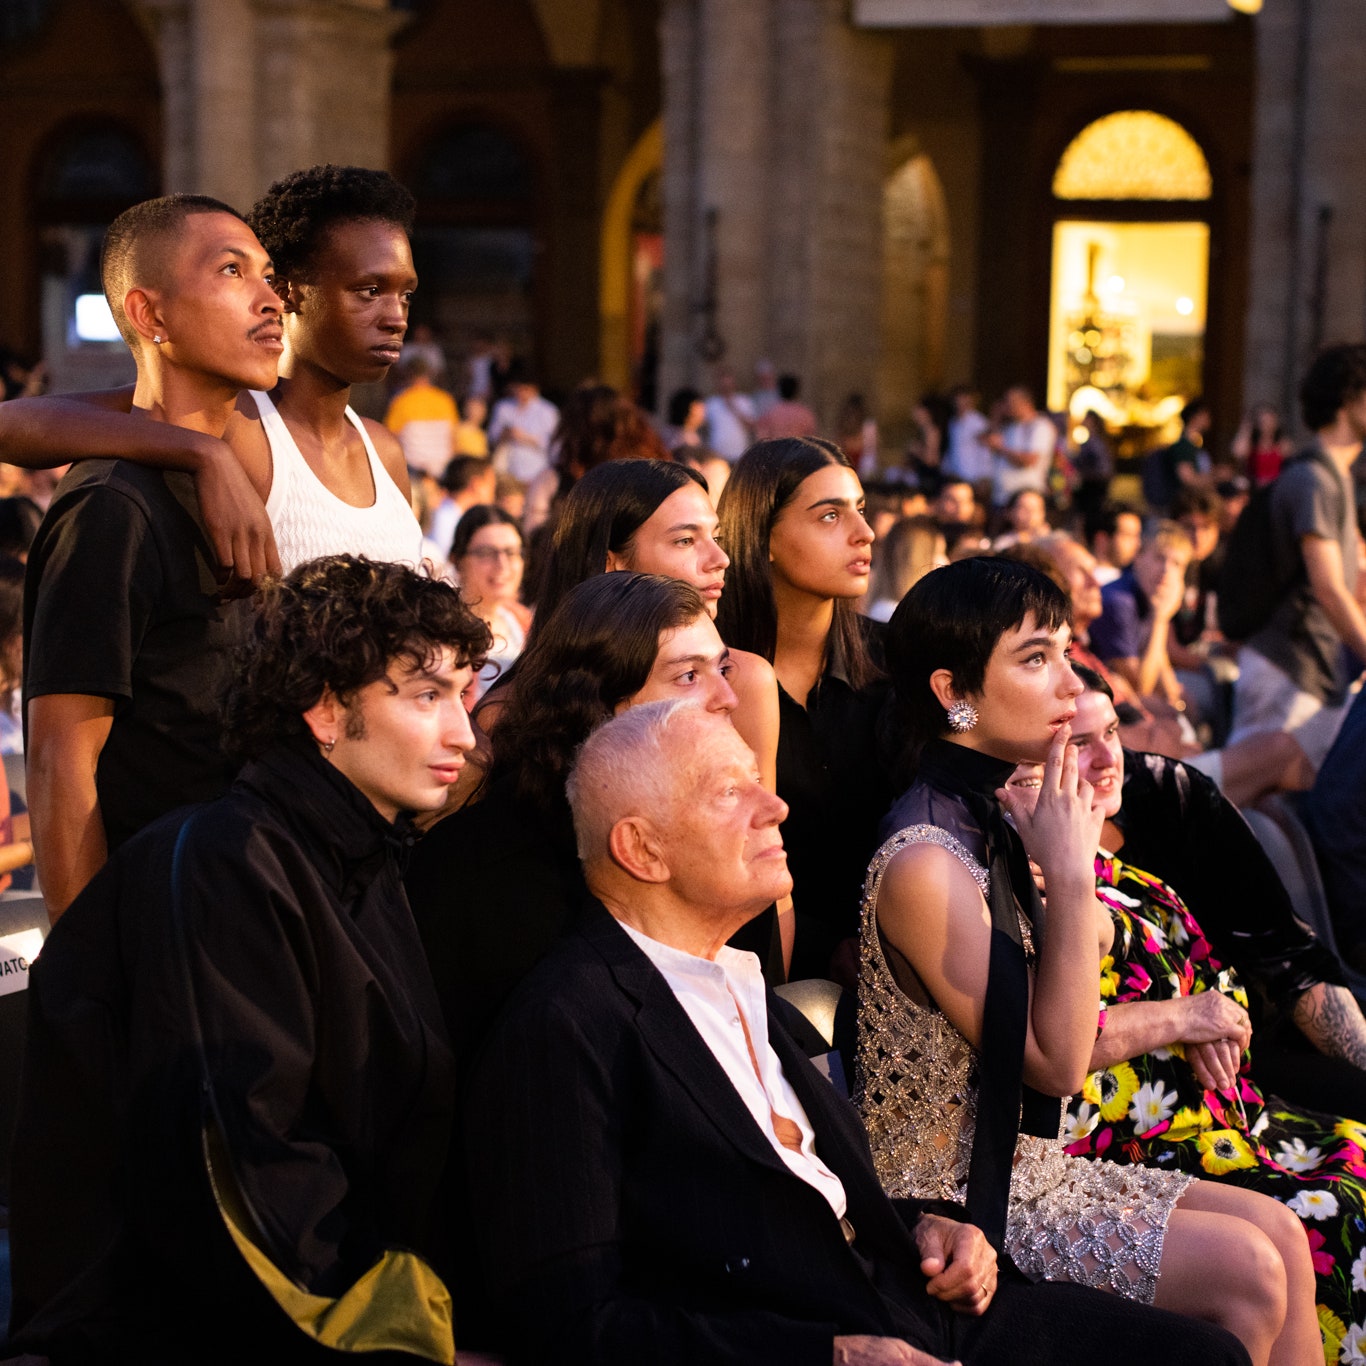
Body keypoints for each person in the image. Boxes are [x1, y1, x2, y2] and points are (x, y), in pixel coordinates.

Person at [462, 699, 1254, 1366]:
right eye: (728, 792)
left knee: (1208, 1355)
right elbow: (569, 1325)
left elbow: (810, 1194)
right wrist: (827, 1357)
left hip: (913, 1297)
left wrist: (933, 1226)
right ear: (641, 847)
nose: (774, 806)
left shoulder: (734, 980)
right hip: (826, 1341)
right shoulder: (567, 1026)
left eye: (760, 783)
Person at [8, 555, 488, 1363]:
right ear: (326, 710)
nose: (463, 733)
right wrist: (411, 1340)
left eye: (464, 695)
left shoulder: (360, 853)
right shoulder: (225, 867)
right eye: (427, 695)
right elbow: (241, 1180)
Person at [858, 557, 1314, 1365]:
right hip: (955, 1203)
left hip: (1034, 1166)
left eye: (1067, 651)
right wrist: (1070, 874)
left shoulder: (997, 812)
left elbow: (1094, 955)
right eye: (1037, 659)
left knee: (1281, 1231)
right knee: (1249, 1272)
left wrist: (1059, 859)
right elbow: (1059, 1062)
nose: (1070, 683)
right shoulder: (924, 858)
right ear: (951, 692)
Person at [1053, 672, 1362, 1351]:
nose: (1111, 759)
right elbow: (1054, 1043)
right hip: (1138, 1138)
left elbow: (1286, 961)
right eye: (1082, 742)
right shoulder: (1048, 868)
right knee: (1338, 1210)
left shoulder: (1159, 803)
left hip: (1227, 1099)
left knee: (1357, 1160)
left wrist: (1210, 1015)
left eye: (1112, 733)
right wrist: (1188, 1016)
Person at [23, 194, 282, 921]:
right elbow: (59, 765)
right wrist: (92, 978)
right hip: (157, 927)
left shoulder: (238, 473)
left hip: (236, 906)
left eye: (269, 276)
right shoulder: (113, 506)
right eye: (233, 272)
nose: (270, 300)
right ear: (150, 315)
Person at [0, 164, 427, 579]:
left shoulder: (383, 450)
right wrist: (204, 452)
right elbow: (10, 424)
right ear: (290, 293)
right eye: (370, 291)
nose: (397, 317)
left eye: (405, 294)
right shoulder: (232, 421)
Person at [490, 458, 780, 795]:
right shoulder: (507, 712)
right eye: (685, 540)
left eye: (717, 537)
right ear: (612, 563)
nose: (720, 558)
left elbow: (760, 831)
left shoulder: (744, 681)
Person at [717, 436, 892, 981]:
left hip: (897, 963)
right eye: (829, 516)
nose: (863, 533)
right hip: (755, 968)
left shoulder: (893, 662)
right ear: (763, 536)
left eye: (860, 510)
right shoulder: (713, 677)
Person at [1227, 343, 1366, 772]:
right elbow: (1328, 588)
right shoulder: (1314, 480)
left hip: (1310, 669)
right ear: (1348, 401)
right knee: (1247, 809)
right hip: (1287, 667)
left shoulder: (1335, 476)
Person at [1089, 521, 1192, 705]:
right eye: (1160, 558)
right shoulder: (1119, 602)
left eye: (1177, 564)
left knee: (1187, 704)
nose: (1166, 570)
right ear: (1138, 556)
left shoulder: (1149, 596)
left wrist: (1176, 701)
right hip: (1098, 699)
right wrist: (1160, 619)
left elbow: (1160, 665)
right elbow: (1141, 687)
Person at [451, 504, 531, 704]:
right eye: (486, 552)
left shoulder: (525, 622)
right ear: (458, 561)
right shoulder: (445, 630)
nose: (502, 565)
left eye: (511, 552)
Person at [383, 353, 458, 478]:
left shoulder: (401, 400)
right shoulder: (445, 400)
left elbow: (390, 438)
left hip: (413, 469)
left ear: (408, 375)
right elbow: (453, 438)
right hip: (442, 467)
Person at [488, 360, 559, 484]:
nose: (520, 393)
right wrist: (505, 434)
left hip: (536, 471)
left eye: (525, 389)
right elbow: (492, 437)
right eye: (517, 388)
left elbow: (554, 445)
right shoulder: (503, 407)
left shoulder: (547, 411)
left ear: (534, 388)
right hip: (508, 472)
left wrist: (526, 438)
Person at [865, 515, 946, 623]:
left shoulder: (888, 611)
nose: (945, 561)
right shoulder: (898, 617)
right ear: (915, 561)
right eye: (938, 553)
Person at [986, 385, 1054, 510]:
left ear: (1025, 402)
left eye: (1010, 401)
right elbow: (986, 440)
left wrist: (1001, 448)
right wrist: (996, 416)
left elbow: (1029, 460)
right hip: (1001, 498)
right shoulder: (1010, 427)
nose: (1006, 406)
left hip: (1024, 500)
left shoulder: (1040, 426)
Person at [1142, 397, 1212, 514]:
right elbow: (1187, 478)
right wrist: (1215, 478)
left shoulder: (1194, 444)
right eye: (1206, 415)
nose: (1209, 419)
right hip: (1183, 508)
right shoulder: (1184, 446)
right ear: (1196, 416)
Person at [427, 453, 496, 561]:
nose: (493, 495)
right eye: (491, 486)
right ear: (476, 484)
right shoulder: (445, 518)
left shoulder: (449, 515)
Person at [941, 386, 994, 493]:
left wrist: (984, 476)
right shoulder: (952, 422)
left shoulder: (978, 421)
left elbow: (985, 451)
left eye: (965, 399)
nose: (961, 402)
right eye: (958, 398)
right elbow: (953, 448)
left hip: (975, 479)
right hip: (956, 477)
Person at [1232, 402, 1292, 488]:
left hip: (1274, 488)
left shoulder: (1282, 445)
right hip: (1253, 488)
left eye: (1270, 421)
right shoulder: (1251, 445)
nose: (1266, 425)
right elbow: (1237, 453)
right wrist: (1246, 428)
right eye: (1263, 421)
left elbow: (1289, 469)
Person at [704, 365, 757, 461]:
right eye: (723, 384)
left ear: (733, 383)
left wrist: (734, 408)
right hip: (717, 456)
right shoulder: (711, 403)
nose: (726, 387)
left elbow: (752, 426)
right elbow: (704, 428)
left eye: (728, 384)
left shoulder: (744, 401)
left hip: (739, 454)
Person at [1087, 502, 1143, 587]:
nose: (1138, 544)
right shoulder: (1083, 582)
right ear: (1102, 540)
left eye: (1137, 536)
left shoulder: (1137, 583)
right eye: (1128, 535)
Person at [754, 373, 819, 442]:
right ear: (797, 391)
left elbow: (762, 438)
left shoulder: (770, 413)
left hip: (777, 450)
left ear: (779, 390)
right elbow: (813, 440)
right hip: (798, 451)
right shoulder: (806, 414)